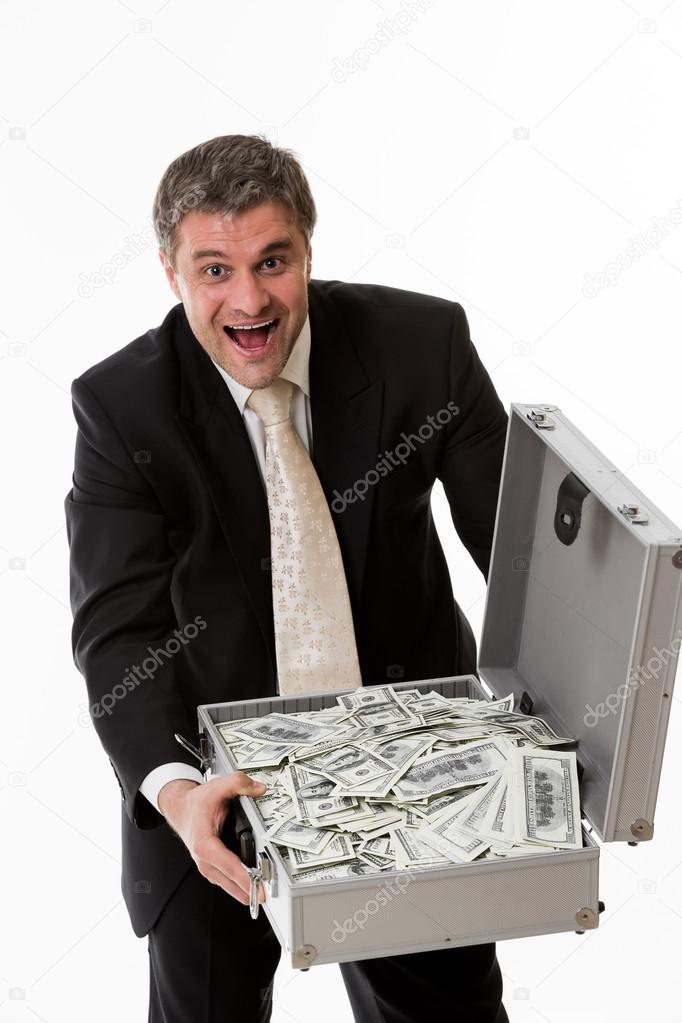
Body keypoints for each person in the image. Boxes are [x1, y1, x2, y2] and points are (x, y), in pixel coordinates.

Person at [65, 133, 510, 1023]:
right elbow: (119, 631)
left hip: (409, 766)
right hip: (213, 783)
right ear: (171, 273)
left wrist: (574, 696)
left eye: (273, 260)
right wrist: (176, 789)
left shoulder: (423, 344)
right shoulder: (124, 408)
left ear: (309, 250)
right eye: (215, 270)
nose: (251, 298)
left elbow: (521, 547)